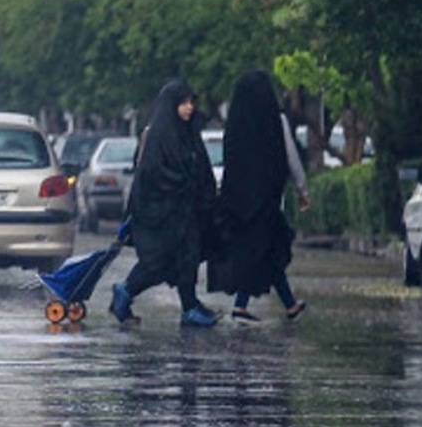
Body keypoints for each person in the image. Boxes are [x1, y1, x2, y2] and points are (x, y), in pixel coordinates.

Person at [109, 79, 220, 327]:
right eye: (183, 103)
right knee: (158, 263)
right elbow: (152, 173)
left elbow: (201, 167)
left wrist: (205, 193)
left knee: (187, 258)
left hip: (186, 212)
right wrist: (182, 184)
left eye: (191, 102)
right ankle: (125, 291)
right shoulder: (160, 134)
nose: (189, 108)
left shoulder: (189, 133)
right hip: (160, 214)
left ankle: (189, 307)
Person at [210, 69, 310, 324]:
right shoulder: (277, 121)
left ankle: (286, 305)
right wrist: (302, 191)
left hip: (239, 203)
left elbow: (229, 163)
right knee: (266, 251)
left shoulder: (234, 125)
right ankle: (249, 307)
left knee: (260, 252)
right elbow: (291, 159)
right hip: (267, 203)